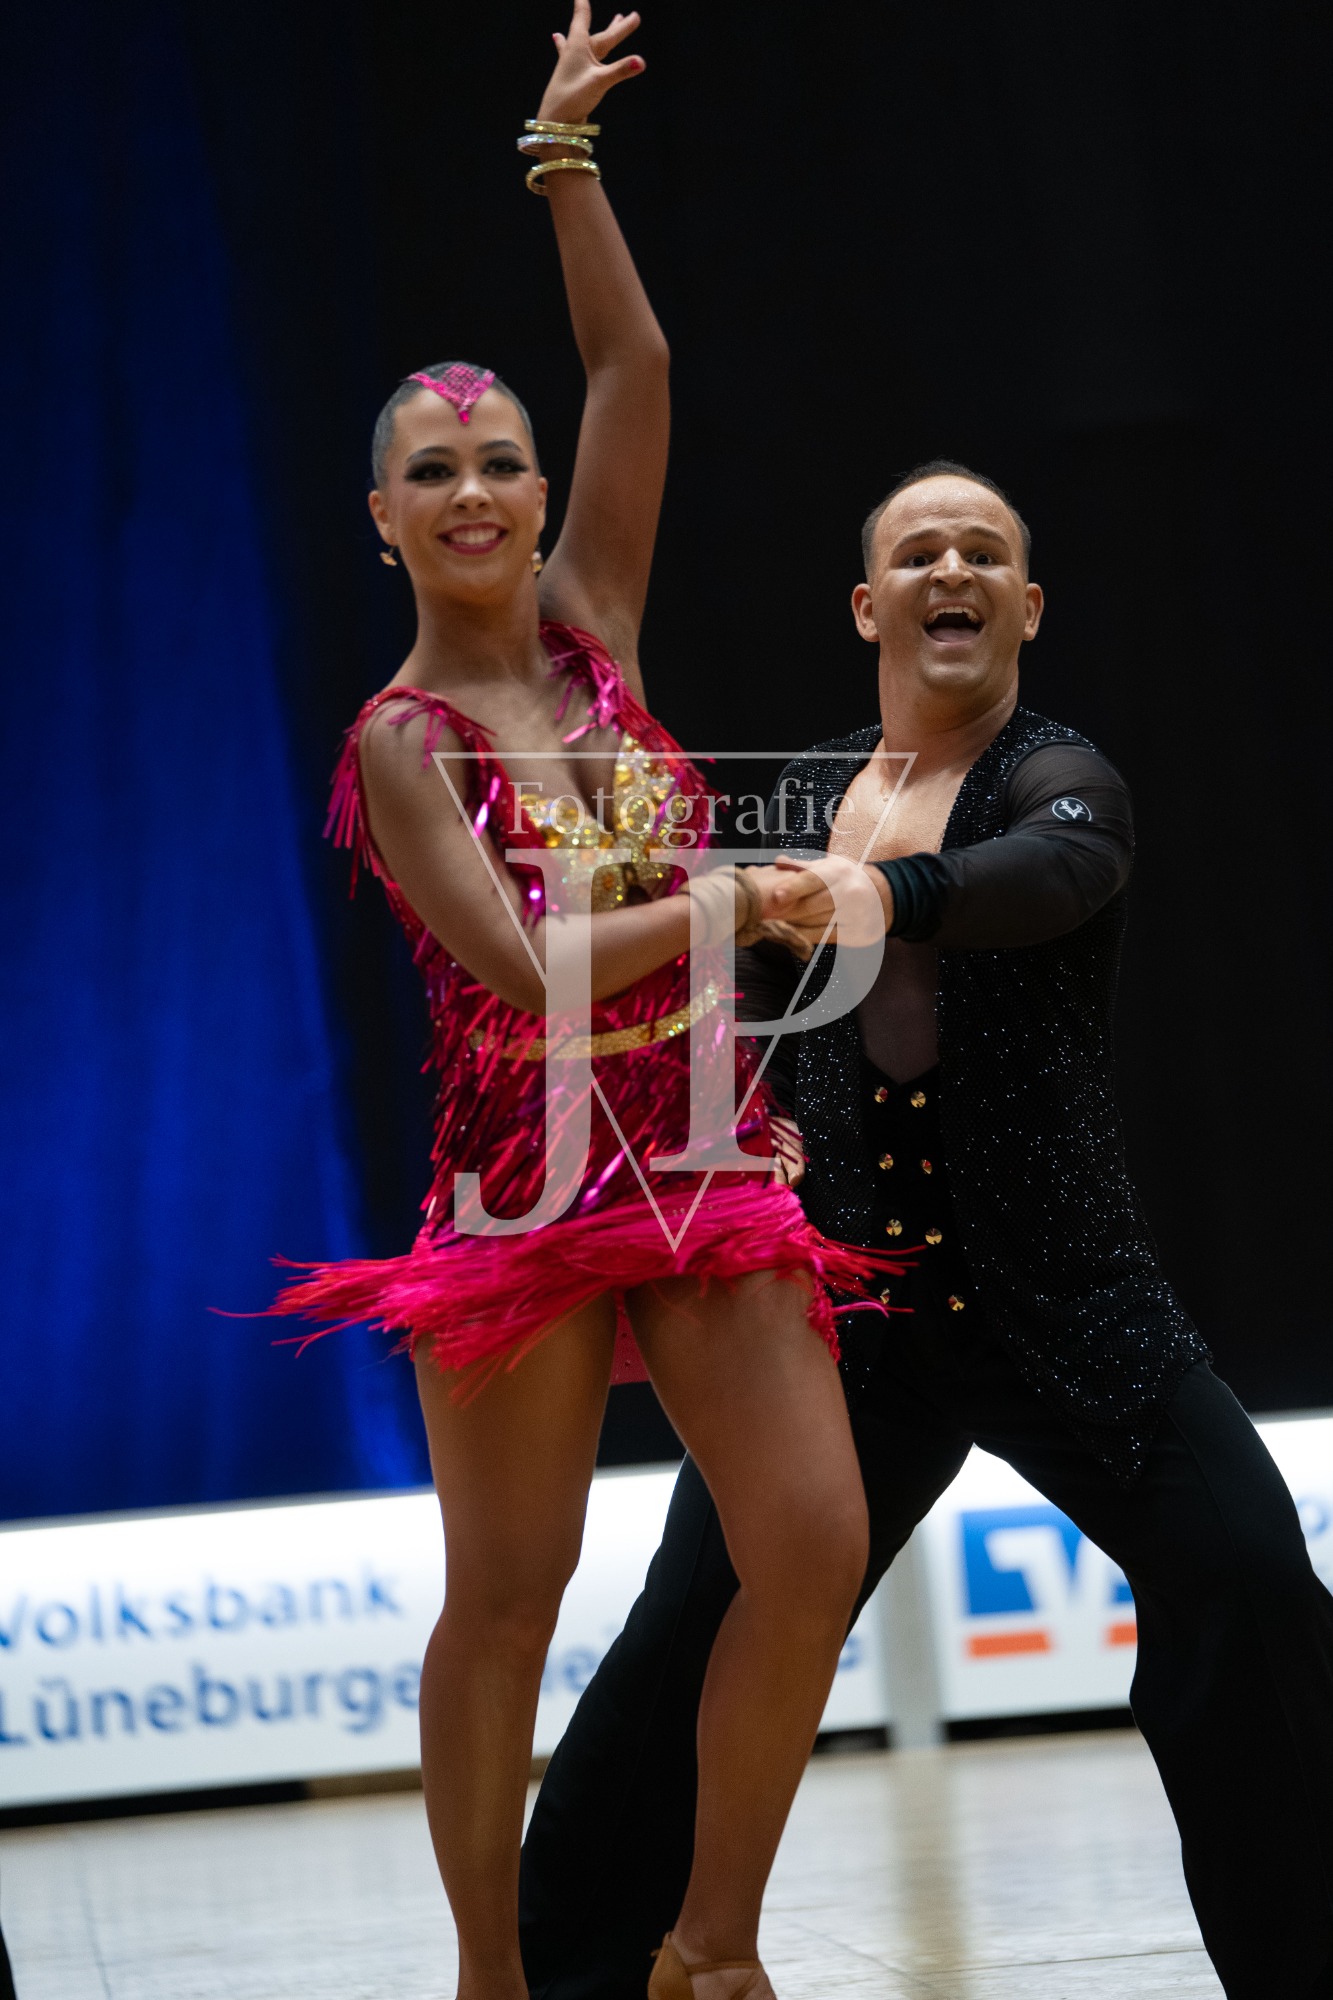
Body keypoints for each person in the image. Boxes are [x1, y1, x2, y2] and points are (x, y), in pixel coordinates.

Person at [268, 11, 907, 2000]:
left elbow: (635, 367)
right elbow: (526, 982)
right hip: (519, 1187)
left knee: (811, 1535)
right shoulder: (399, 740)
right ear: (381, 516)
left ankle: (708, 1945)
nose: (473, 488)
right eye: (431, 471)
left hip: (706, 1155)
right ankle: (491, 1969)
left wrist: (563, 164)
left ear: (543, 493)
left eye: (499, 461)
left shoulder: (595, 626)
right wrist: (724, 900)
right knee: (507, 1599)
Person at [518, 463, 1333, 2000]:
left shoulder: (1058, 774)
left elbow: (1051, 879)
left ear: (1024, 606)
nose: (948, 569)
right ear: (865, 605)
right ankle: (568, 1975)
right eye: (917, 552)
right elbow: (715, 988)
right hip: (843, 1322)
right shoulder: (800, 789)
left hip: (1065, 1298)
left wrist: (874, 891)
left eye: (981, 552)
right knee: (692, 1623)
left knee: (1241, 1577)